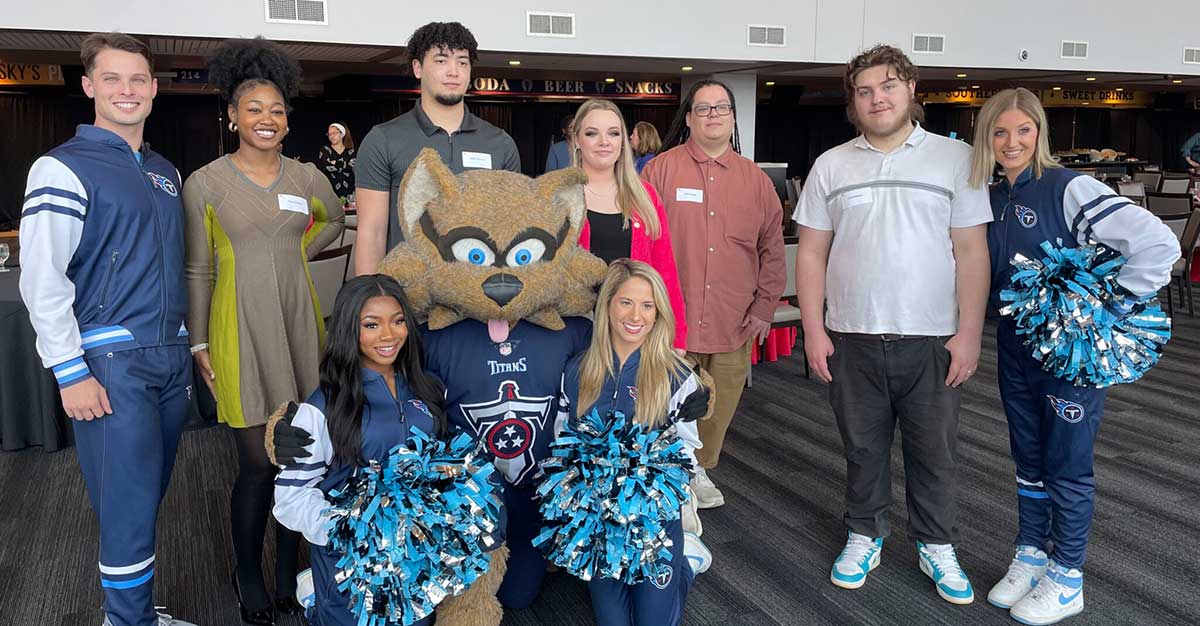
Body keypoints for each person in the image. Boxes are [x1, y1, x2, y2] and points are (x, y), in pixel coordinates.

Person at [969, 88, 1180, 625]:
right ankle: (1032, 553)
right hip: (1015, 347)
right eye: (999, 131)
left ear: (1040, 133)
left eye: (1022, 130)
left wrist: (1107, 304)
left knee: (1067, 461)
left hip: (1071, 353)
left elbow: (1159, 244)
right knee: (1028, 457)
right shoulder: (990, 195)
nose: (1011, 142)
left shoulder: (1070, 188)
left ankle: (1068, 575)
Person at [793, 44, 992, 604]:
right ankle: (864, 533)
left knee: (935, 451)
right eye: (864, 90)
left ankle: (936, 543)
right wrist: (813, 328)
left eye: (888, 85)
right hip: (851, 336)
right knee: (862, 448)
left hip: (932, 338)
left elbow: (972, 251)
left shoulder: (956, 159)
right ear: (853, 102)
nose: (877, 97)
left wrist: (970, 332)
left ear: (910, 90)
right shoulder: (832, 164)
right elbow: (810, 254)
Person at [18, 32, 197, 626]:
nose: (127, 90)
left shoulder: (166, 172)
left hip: (169, 358)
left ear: (152, 90)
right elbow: (41, 280)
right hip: (112, 364)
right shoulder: (62, 166)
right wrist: (71, 372)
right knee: (126, 505)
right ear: (89, 87)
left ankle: (133, 612)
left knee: (147, 501)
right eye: (113, 79)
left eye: (138, 80)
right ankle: (126, 621)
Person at [182, 37, 345, 626]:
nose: (267, 119)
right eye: (254, 109)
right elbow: (198, 267)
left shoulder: (305, 178)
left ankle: (286, 571)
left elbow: (330, 220)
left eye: (277, 110)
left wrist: (301, 249)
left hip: (300, 323)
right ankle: (248, 571)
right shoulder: (205, 182)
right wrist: (198, 341)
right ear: (232, 115)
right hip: (236, 326)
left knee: (303, 457)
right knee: (258, 462)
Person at [273, 275, 459, 626]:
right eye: (371, 325)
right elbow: (290, 498)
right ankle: (314, 593)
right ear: (348, 329)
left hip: (414, 560)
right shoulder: (325, 406)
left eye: (398, 321)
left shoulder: (429, 389)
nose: (389, 336)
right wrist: (352, 531)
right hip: (350, 571)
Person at [641, 79, 786, 511]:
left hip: (732, 318)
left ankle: (699, 468)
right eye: (703, 109)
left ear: (733, 117)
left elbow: (772, 251)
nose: (712, 115)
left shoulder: (755, 181)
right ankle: (669, 471)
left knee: (718, 407)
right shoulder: (659, 171)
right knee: (661, 404)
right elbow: (641, 242)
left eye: (720, 108)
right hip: (670, 322)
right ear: (688, 119)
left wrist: (764, 307)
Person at [554, 259, 712, 626]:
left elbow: (687, 452)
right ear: (607, 305)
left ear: (658, 312)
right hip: (598, 521)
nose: (635, 316)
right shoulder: (576, 371)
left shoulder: (677, 376)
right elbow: (562, 443)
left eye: (647, 305)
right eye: (625, 302)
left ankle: (686, 559)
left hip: (654, 521)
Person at [354, 21, 520, 274]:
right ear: (418, 68)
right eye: (441, 61)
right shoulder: (383, 139)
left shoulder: (500, 143)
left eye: (462, 62)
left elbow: (509, 231)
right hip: (408, 301)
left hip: (481, 300)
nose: (454, 71)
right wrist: (369, 303)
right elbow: (372, 233)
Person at [571, 98, 687, 351]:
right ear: (577, 140)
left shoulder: (645, 196)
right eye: (592, 133)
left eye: (613, 133)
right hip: (573, 335)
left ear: (622, 141)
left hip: (632, 334)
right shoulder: (556, 196)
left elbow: (664, 269)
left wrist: (676, 337)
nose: (604, 141)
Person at [316, 122, 356, 201]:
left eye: (334, 133)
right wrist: (343, 164)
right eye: (329, 134)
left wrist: (334, 163)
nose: (331, 136)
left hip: (349, 194)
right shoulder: (325, 150)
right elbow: (324, 167)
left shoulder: (351, 151)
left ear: (342, 134)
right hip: (331, 193)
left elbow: (351, 167)